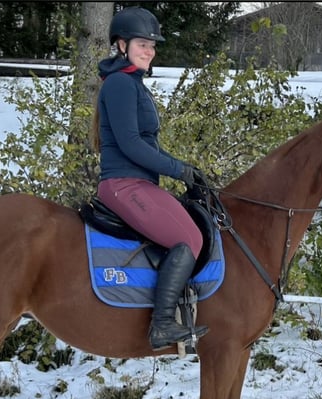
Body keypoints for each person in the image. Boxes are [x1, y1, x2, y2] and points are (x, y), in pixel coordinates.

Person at [93, 6, 209, 351]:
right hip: (123, 184)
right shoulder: (119, 84)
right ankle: (161, 326)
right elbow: (131, 144)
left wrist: (184, 169)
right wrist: (179, 169)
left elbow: (145, 144)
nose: (150, 51)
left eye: (153, 45)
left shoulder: (132, 83)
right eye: (143, 44)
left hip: (139, 183)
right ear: (121, 45)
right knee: (188, 238)